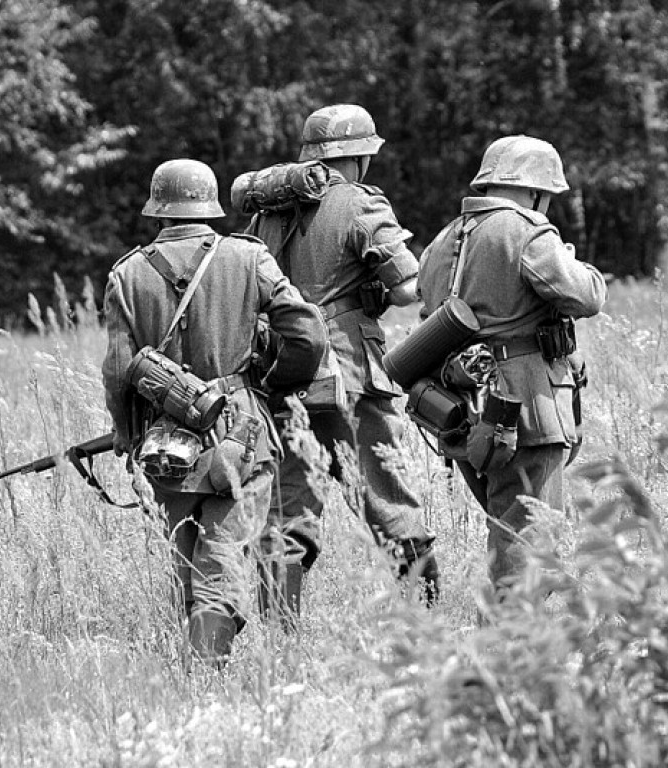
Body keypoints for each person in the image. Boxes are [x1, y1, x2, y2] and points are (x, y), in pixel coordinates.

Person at [102, 158, 327, 665]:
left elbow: (118, 371)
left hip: (164, 441)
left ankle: (203, 671)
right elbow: (308, 333)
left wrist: (124, 432)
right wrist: (274, 382)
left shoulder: (128, 273)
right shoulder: (248, 258)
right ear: (209, 204)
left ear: (158, 208)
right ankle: (206, 675)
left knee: (188, 560)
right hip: (241, 432)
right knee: (222, 555)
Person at [244, 104, 439, 612]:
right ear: (358, 158)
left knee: (289, 505)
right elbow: (406, 289)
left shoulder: (269, 211)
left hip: (282, 371)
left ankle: (280, 635)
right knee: (384, 490)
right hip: (349, 372)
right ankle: (426, 618)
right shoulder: (359, 202)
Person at [416, 135, 607, 594]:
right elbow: (587, 295)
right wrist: (576, 264)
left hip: (459, 407)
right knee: (526, 541)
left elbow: (427, 315)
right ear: (535, 191)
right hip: (521, 409)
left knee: (509, 528)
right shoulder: (525, 231)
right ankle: (509, 653)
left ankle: (514, 644)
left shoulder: (444, 240)